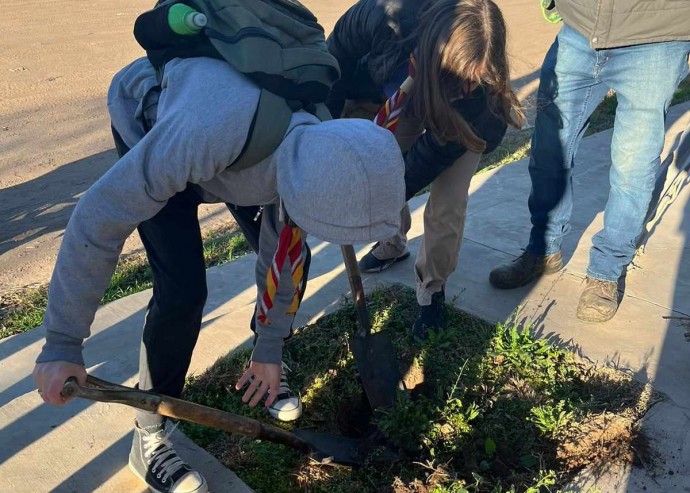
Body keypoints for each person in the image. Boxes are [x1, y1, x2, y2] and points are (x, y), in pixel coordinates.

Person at [32, 56, 405, 493]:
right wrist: (62, 342)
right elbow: (98, 215)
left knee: (286, 250)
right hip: (156, 122)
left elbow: (285, 254)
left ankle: (267, 366)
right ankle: (150, 438)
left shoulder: (321, 141)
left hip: (242, 151)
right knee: (183, 292)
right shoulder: (201, 134)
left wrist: (269, 345)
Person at [325, 0, 525, 339]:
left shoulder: (480, 97)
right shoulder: (382, 15)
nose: (469, 86)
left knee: (447, 203)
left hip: (456, 123)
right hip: (404, 92)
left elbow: (420, 166)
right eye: (460, 78)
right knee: (380, 161)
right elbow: (333, 60)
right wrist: (323, 126)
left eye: (474, 81)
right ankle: (392, 242)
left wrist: (376, 201)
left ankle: (432, 289)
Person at [489, 1, 690, 322]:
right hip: (580, 29)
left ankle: (606, 271)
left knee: (632, 167)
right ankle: (543, 247)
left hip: (657, 38)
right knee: (549, 152)